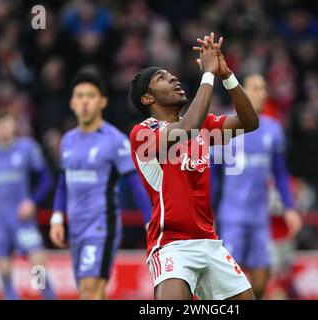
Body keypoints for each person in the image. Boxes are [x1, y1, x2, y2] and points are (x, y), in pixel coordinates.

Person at [129, 32, 259, 300]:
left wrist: (227, 76)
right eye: (161, 78)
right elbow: (188, 128)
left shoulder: (204, 126)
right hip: (171, 245)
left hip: (210, 242)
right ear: (147, 99)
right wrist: (208, 75)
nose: (173, 78)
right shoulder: (143, 133)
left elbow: (249, 122)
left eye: (171, 75)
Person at [49, 70, 152, 300]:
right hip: (76, 228)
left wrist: (149, 222)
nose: (85, 101)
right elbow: (63, 183)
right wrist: (57, 218)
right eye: (80, 96)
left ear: (102, 101)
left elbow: (135, 183)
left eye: (91, 96)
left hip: (102, 226)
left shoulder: (114, 140)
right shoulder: (68, 141)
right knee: (94, 291)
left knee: (89, 289)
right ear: (72, 103)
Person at [211, 74, 302, 299]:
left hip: (260, 218)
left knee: (261, 283)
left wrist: (290, 208)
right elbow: (213, 176)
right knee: (233, 283)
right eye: (255, 88)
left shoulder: (273, 129)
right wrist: (208, 211)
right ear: (241, 91)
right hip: (232, 217)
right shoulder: (225, 127)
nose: (262, 93)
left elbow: (280, 173)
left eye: (263, 88)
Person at [0, 110, 55, 300]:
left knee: (37, 264)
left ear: (14, 126)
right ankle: (11, 296)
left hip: (22, 219)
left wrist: (32, 201)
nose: (3, 129)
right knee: (4, 268)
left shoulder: (27, 148)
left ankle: (47, 296)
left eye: (7, 124)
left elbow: (46, 179)